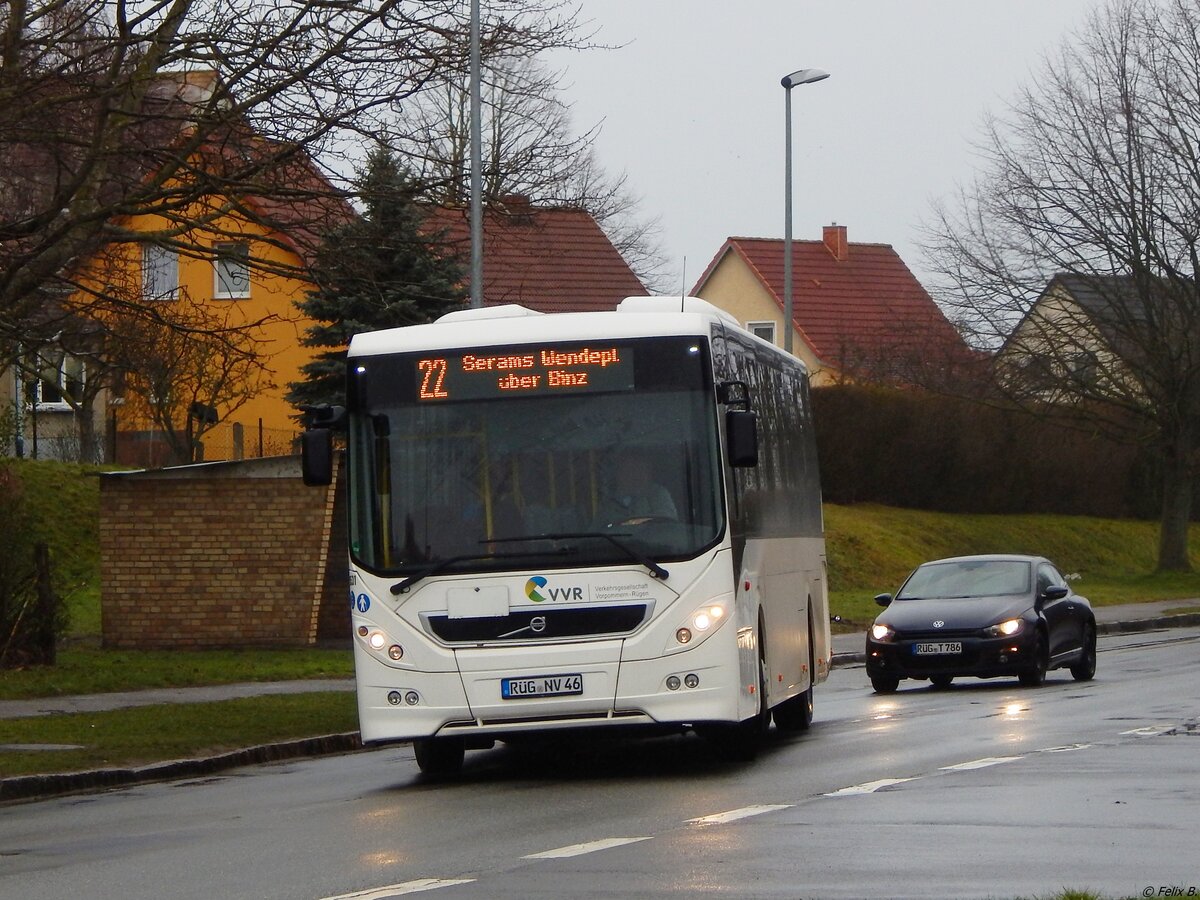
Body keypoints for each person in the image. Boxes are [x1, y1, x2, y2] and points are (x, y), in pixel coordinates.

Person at [593, 447, 678, 528]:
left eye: (640, 469)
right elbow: (597, 532)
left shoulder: (659, 495)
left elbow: (667, 526)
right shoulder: (609, 504)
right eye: (629, 470)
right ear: (618, 474)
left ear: (649, 473)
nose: (635, 475)